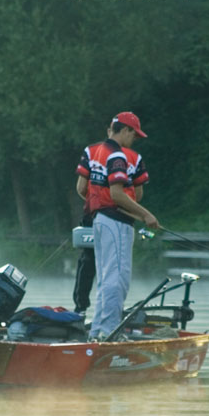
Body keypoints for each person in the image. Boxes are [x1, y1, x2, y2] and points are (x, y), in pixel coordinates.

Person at [75, 112, 159, 340]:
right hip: (116, 222)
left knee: (105, 278)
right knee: (118, 279)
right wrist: (146, 215)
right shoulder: (117, 156)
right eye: (134, 134)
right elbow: (117, 193)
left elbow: (84, 189)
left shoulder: (97, 151)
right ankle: (110, 332)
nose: (134, 140)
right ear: (124, 130)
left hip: (100, 221)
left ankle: (98, 331)